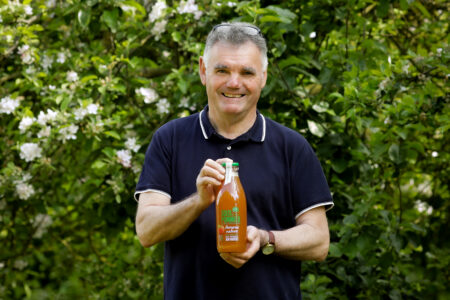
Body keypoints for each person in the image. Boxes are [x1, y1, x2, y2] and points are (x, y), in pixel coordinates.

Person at [135, 22, 334, 300]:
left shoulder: (292, 147)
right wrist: (199, 201)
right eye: (222, 70)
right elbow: (146, 230)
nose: (234, 82)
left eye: (247, 72)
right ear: (204, 70)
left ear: (263, 77)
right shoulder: (170, 139)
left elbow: (319, 241)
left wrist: (266, 239)